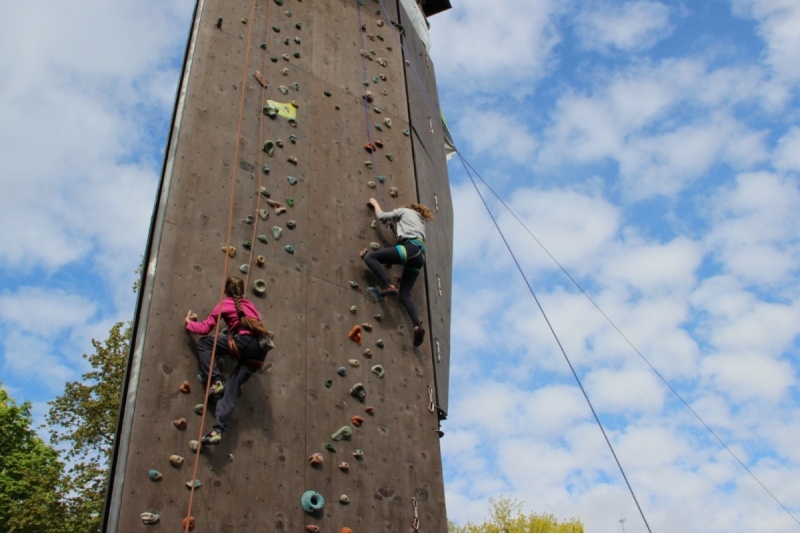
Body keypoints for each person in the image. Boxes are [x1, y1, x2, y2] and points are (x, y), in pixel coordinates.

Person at [184, 276, 269, 445]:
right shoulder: (250, 305)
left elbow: (204, 328)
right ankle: (217, 430)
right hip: (260, 350)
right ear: (244, 292)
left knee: (205, 344)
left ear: (225, 291)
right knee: (232, 388)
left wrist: (188, 323)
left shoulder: (224, 305)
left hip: (244, 342)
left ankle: (216, 381)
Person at [362, 197, 435, 347]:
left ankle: (388, 285)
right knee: (405, 295)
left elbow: (382, 216)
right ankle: (417, 325)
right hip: (419, 256)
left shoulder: (404, 211)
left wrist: (374, 203)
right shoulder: (421, 223)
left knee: (370, 257)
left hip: (409, 249)